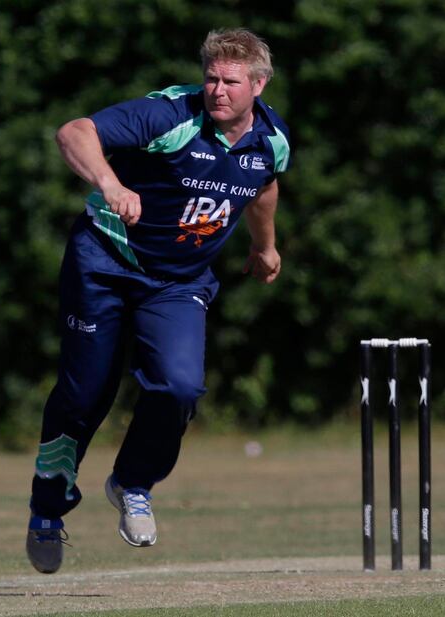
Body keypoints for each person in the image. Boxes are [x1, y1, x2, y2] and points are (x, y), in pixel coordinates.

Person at [25, 28, 291, 574]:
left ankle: (132, 483)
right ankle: (48, 507)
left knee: (180, 385)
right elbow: (74, 131)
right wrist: (110, 183)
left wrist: (264, 247)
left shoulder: (272, 141)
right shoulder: (170, 115)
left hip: (178, 282)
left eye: (231, 82)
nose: (218, 90)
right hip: (104, 262)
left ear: (259, 85)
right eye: (212, 77)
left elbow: (264, 188)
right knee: (85, 393)